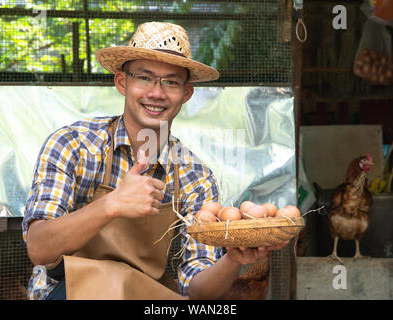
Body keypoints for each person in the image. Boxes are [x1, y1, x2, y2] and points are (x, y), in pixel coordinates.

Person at [22, 21, 287, 300]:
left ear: (186, 94)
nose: (157, 93)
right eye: (144, 78)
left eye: (171, 82)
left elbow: (197, 291)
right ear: (122, 83)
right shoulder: (72, 145)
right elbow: (39, 249)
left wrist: (233, 260)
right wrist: (111, 204)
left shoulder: (195, 177)